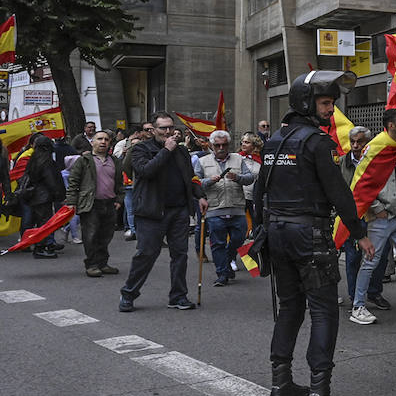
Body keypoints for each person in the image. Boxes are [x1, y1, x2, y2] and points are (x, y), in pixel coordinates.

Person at [260, 72, 375, 396]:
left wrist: (260, 233)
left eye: (332, 103)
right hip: (309, 235)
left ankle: (280, 386)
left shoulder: (273, 141)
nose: (331, 109)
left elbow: (259, 191)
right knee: (324, 310)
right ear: (306, 102)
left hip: (276, 233)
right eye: (325, 103)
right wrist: (359, 232)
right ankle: (318, 395)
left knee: (290, 306)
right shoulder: (316, 142)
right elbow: (339, 193)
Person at [118, 113, 208, 311]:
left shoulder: (182, 151)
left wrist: (199, 195)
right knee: (146, 254)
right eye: (162, 128)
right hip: (152, 211)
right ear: (153, 130)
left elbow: (190, 177)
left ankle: (178, 296)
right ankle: (129, 293)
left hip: (179, 210)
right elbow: (146, 171)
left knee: (180, 255)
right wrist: (166, 150)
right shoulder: (140, 148)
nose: (168, 132)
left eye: (170, 127)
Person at [349, 110, 396, 325]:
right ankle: (358, 305)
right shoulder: (376, 147)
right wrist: (376, 208)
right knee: (370, 262)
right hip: (381, 217)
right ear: (391, 125)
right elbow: (362, 181)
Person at [193, 130, 256, 287]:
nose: (221, 148)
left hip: (237, 207)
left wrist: (238, 178)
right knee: (218, 243)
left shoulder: (238, 159)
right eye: (217, 145)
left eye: (224, 145)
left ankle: (227, 262)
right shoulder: (202, 161)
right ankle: (222, 273)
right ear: (212, 145)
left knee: (238, 239)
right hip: (215, 208)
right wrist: (208, 181)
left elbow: (250, 179)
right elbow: (194, 183)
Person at [340, 127, 389, 316]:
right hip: (353, 216)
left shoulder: (375, 160)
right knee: (353, 257)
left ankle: (374, 293)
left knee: (378, 256)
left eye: (360, 142)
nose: (355, 146)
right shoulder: (344, 162)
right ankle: (355, 297)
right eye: (352, 141)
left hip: (375, 215)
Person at [64, 129, 123, 277]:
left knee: (106, 235)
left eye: (106, 139)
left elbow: (119, 183)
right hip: (91, 204)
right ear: (92, 142)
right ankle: (91, 264)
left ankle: (103, 263)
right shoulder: (84, 161)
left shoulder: (114, 161)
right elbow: (73, 182)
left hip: (109, 204)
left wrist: (119, 199)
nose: (103, 142)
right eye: (100, 139)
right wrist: (71, 201)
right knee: (90, 236)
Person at [19, 134, 66, 260]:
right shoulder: (47, 161)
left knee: (39, 222)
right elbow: (51, 180)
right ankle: (41, 248)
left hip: (35, 196)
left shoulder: (33, 159)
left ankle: (41, 245)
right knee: (44, 223)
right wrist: (60, 195)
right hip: (44, 196)